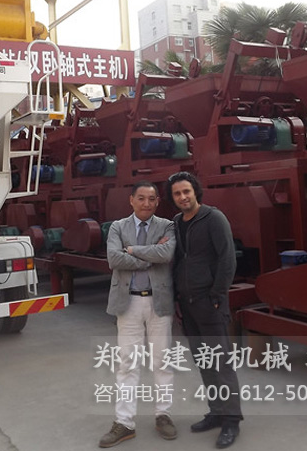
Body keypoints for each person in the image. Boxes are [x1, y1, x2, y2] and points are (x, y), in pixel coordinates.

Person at [166, 171, 242, 449]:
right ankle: (217, 411)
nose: (183, 197)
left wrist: (218, 295)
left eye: (186, 191)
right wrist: (176, 297)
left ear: (195, 191)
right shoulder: (177, 223)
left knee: (221, 362)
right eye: (177, 193)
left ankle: (232, 419)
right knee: (204, 361)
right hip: (187, 304)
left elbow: (227, 258)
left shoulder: (213, 218)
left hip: (209, 302)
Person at [99, 181, 177, 448]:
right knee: (127, 364)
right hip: (128, 302)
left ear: (157, 202)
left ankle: (163, 415)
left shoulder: (167, 226)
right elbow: (114, 259)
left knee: (162, 362)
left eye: (151, 199)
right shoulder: (118, 227)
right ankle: (124, 423)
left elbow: (166, 253)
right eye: (141, 198)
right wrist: (149, 257)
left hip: (159, 303)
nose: (146, 203)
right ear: (131, 200)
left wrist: (131, 250)